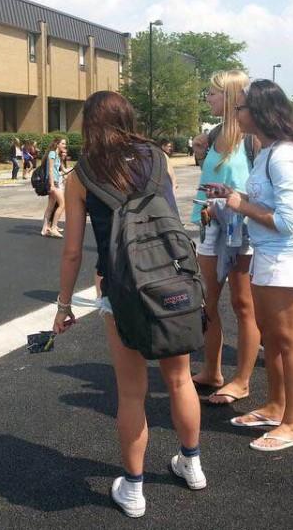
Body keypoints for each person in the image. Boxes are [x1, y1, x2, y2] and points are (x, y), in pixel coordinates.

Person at [52, 90, 203, 518]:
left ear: (89, 124)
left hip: (121, 287)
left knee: (132, 391)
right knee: (180, 380)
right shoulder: (158, 157)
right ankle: (191, 465)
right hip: (172, 281)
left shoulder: (81, 175)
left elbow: (72, 251)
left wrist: (64, 305)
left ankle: (134, 490)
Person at [207, 79, 293, 451]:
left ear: (260, 112)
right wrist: (232, 197)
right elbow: (263, 204)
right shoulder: (268, 151)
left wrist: (241, 206)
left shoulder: (285, 155)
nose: (236, 114)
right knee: (272, 338)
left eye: (241, 107)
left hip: (286, 257)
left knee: (289, 341)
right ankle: (275, 407)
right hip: (269, 255)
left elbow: (287, 220)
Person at [191, 70, 260, 406]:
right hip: (209, 225)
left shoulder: (251, 139)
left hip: (241, 229)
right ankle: (212, 371)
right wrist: (201, 152)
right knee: (208, 303)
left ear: (231, 97)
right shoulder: (215, 133)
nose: (208, 98)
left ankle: (242, 380)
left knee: (243, 304)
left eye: (213, 93)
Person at [41, 137, 67, 238]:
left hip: (55, 182)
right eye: (63, 144)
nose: (65, 146)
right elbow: (51, 170)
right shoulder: (52, 154)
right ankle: (54, 228)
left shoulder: (58, 155)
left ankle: (45, 229)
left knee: (50, 206)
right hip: (53, 182)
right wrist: (51, 184)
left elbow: (63, 169)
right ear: (57, 144)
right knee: (62, 204)